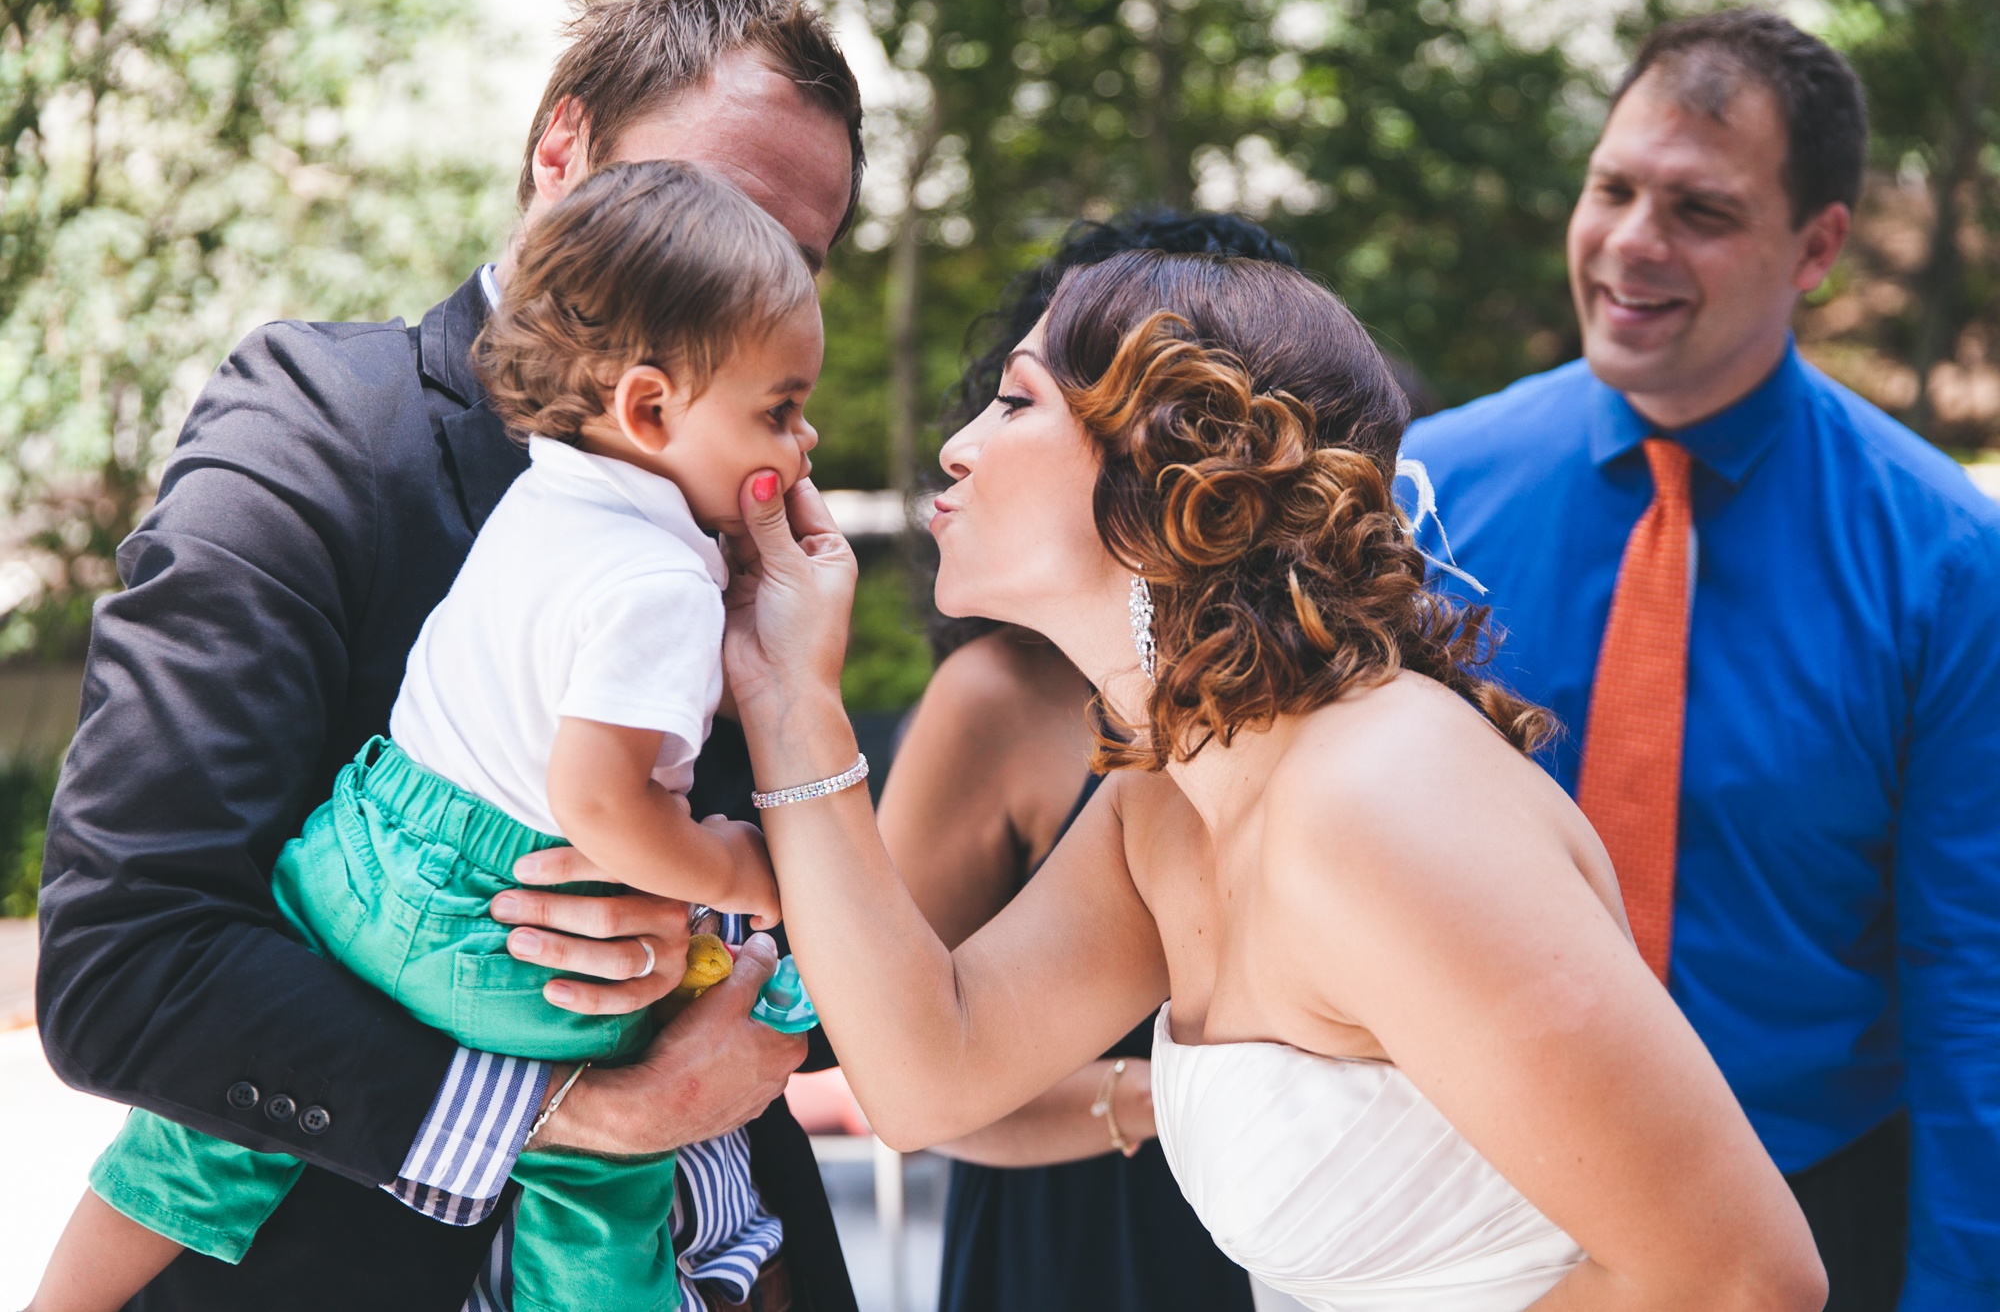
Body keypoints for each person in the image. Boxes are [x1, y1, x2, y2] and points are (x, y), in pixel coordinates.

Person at [678, 247, 1830, 1310]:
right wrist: (790, 700)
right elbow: (926, 1071)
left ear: (1165, 477)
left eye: (1016, 401)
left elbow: (1741, 1277)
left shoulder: (1375, 796)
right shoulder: (1167, 795)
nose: (957, 443)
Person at [33, 0, 863, 1309]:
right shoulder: (314, 427)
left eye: (792, 251)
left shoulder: (754, 492)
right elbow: (127, 968)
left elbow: (822, 920)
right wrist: (580, 1110)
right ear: (560, 157)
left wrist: (725, 944)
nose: (742, 271)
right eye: (702, 204)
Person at [1399, 10, 2000, 1312]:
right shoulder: (1422, 493)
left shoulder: (1950, 559)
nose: (1630, 243)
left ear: (1818, 248)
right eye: (1612, 187)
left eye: (1700, 211)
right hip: (1463, 1213)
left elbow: (1973, 977)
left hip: (1800, 1224)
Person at [882, 211, 1299, 1312]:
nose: (959, 444)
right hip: (1080, 1247)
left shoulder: (1336, 759)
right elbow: (905, 1062)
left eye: (1021, 402)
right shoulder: (1031, 726)